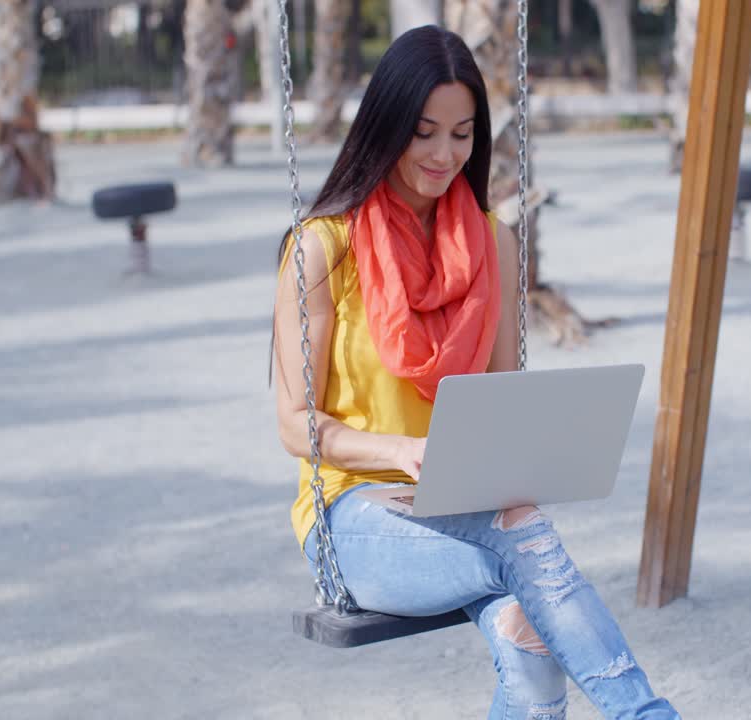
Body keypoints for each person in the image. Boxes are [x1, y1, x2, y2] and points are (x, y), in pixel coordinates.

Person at [273, 25, 680, 720]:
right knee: (523, 540)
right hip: (353, 517)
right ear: (387, 125)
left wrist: (526, 457)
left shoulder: (493, 241)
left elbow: (500, 409)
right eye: (424, 131)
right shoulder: (324, 248)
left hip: (461, 505)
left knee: (531, 633)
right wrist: (400, 452)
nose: (443, 154)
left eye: (461, 134)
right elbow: (294, 424)